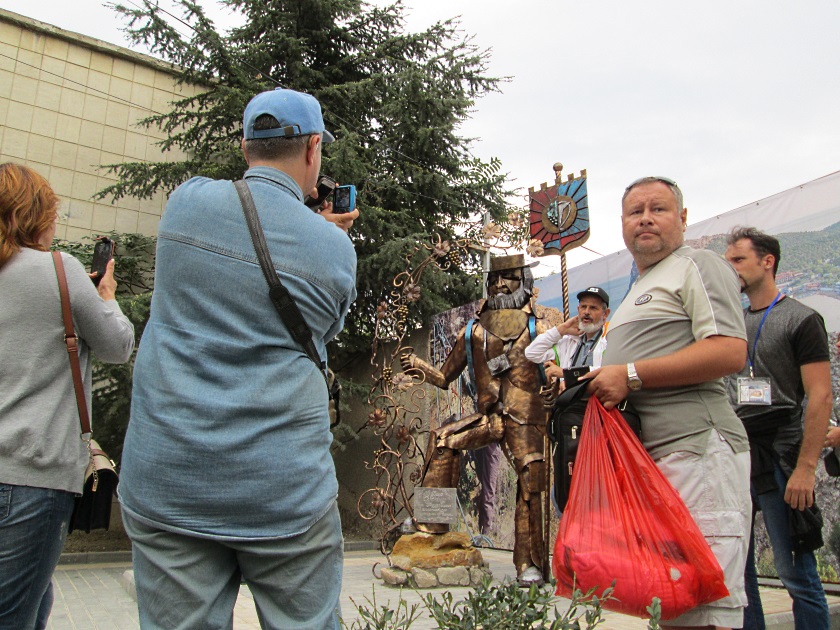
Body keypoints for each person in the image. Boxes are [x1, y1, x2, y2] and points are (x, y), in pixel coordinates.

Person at [118, 88, 357, 629]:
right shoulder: (335, 249)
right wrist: (324, 236)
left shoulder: (186, 203)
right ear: (314, 148)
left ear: (246, 147)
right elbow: (324, 331)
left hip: (169, 479)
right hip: (284, 489)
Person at [586, 176, 752, 630]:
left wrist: (631, 375)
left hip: (698, 452)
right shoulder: (638, 288)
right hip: (654, 466)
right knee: (674, 605)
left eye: (658, 208)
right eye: (634, 211)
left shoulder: (697, 264)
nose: (645, 217)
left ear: (682, 218)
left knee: (706, 608)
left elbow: (728, 351)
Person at [0, 163, 135, 630]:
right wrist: (107, 296)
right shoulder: (59, 269)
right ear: (36, 214)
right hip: (34, 476)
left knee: (33, 604)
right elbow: (117, 346)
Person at [400, 253, 550, 586]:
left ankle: (529, 564)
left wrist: (553, 392)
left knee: (530, 480)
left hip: (526, 419)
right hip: (491, 417)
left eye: (508, 277)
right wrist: (416, 366)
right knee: (443, 440)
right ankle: (431, 522)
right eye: (495, 279)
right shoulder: (473, 332)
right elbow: (443, 377)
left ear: (524, 281)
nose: (500, 284)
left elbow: (552, 376)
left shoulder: (536, 328)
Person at [724, 226, 831, 630]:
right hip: (738, 452)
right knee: (741, 576)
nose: (731, 268)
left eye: (738, 260)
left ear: (767, 262)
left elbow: (820, 396)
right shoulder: (732, 323)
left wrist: (805, 468)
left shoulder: (801, 319)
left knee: (795, 575)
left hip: (783, 455)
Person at [524, 286, 610, 386]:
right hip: (572, 401)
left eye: (593, 308)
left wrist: (566, 374)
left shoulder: (611, 338)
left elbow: (610, 371)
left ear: (605, 314)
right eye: (583, 307)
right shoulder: (569, 341)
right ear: (578, 310)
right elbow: (531, 353)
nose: (586, 312)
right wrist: (561, 330)